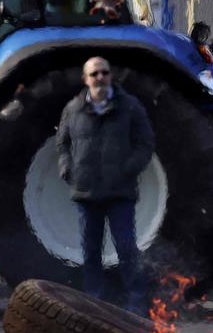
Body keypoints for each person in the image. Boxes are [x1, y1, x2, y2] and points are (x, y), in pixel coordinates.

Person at [56, 56, 155, 314]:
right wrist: (66, 166)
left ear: (110, 76)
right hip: (86, 193)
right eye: (94, 74)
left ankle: (136, 304)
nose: (99, 77)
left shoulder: (130, 107)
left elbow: (145, 143)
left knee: (126, 249)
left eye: (104, 72)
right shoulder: (72, 109)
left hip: (119, 192)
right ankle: (93, 304)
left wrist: (128, 168)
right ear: (85, 79)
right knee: (90, 252)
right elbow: (62, 143)